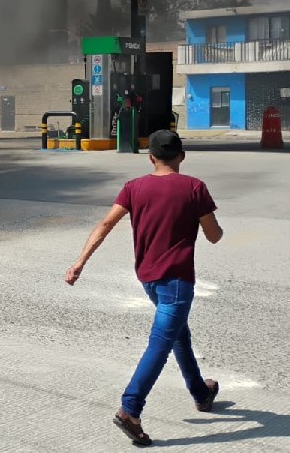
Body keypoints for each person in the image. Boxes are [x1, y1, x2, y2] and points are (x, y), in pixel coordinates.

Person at [64, 129, 224, 447]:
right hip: (177, 282)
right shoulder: (194, 187)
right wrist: (203, 221)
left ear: (151, 157)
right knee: (160, 345)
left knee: (179, 334)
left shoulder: (134, 187)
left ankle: (201, 393)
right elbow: (214, 235)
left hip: (148, 279)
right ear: (182, 156)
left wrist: (80, 261)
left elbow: (106, 223)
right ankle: (130, 410)